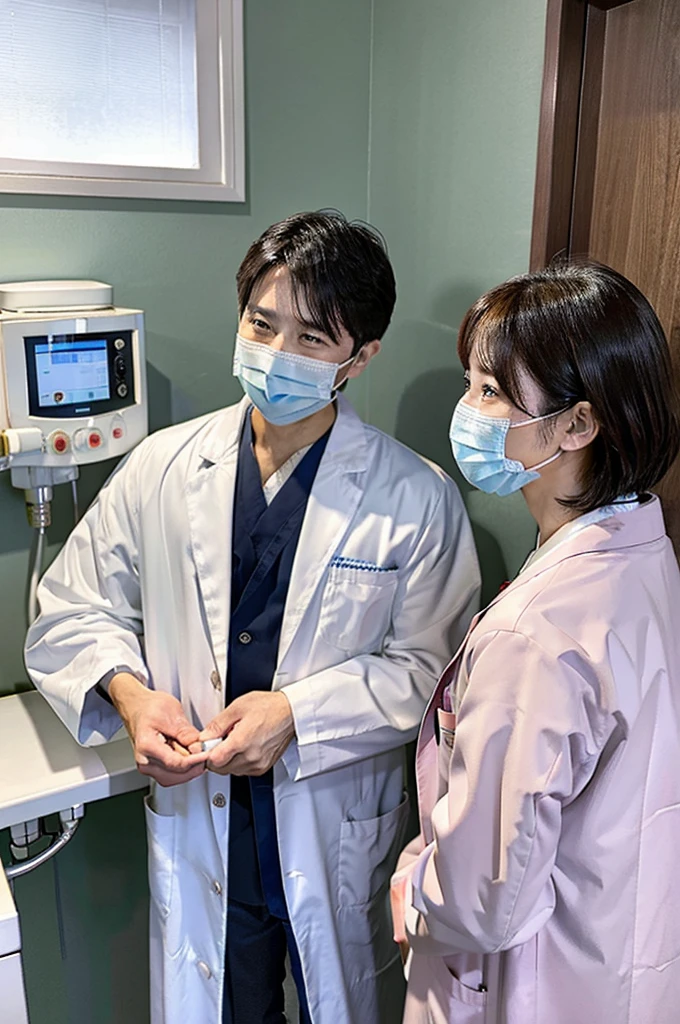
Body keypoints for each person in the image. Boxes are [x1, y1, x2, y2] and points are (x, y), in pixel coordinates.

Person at [24, 211, 481, 1024]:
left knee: (337, 1000)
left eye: (311, 339)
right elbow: (67, 609)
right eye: (261, 325)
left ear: (360, 359)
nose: (275, 355)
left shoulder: (415, 498)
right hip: (205, 817)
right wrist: (131, 696)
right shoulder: (162, 467)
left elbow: (434, 673)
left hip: (330, 823)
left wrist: (297, 714)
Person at [391, 261, 680, 1024]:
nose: (467, 410)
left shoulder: (536, 631)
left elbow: (486, 899)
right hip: (620, 961)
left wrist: (414, 882)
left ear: (578, 424)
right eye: (470, 383)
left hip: (536, 984)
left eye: (490, 391)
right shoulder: (645, 551)